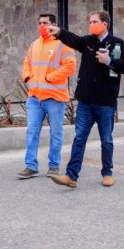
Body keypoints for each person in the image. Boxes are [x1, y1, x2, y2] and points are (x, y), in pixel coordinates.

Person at [46, 11, 124, 188]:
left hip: (105, 102)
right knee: (79, 138)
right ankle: (71, 176)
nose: (91, 24)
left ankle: (107, 173)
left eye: (94, 21)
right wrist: (60, 32)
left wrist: (109, 61)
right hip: (86, 100)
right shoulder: (88, 41)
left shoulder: (117, 44)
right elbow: (74, 39)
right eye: (90, 21)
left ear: (105, 24)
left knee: (106, 140)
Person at [17, 13, 77, 179]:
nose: (42, 26)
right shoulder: (35, 44)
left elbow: (70, 67)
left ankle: (54, 166)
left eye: (45, 23)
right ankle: (31, 166)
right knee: (32, 132)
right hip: (34, 97)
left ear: (53, 25)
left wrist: (50, 78)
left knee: (56, 133)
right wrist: (27, 77)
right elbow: (27, 63)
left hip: (55, 97)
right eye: (40, 23)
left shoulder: (63, 44)